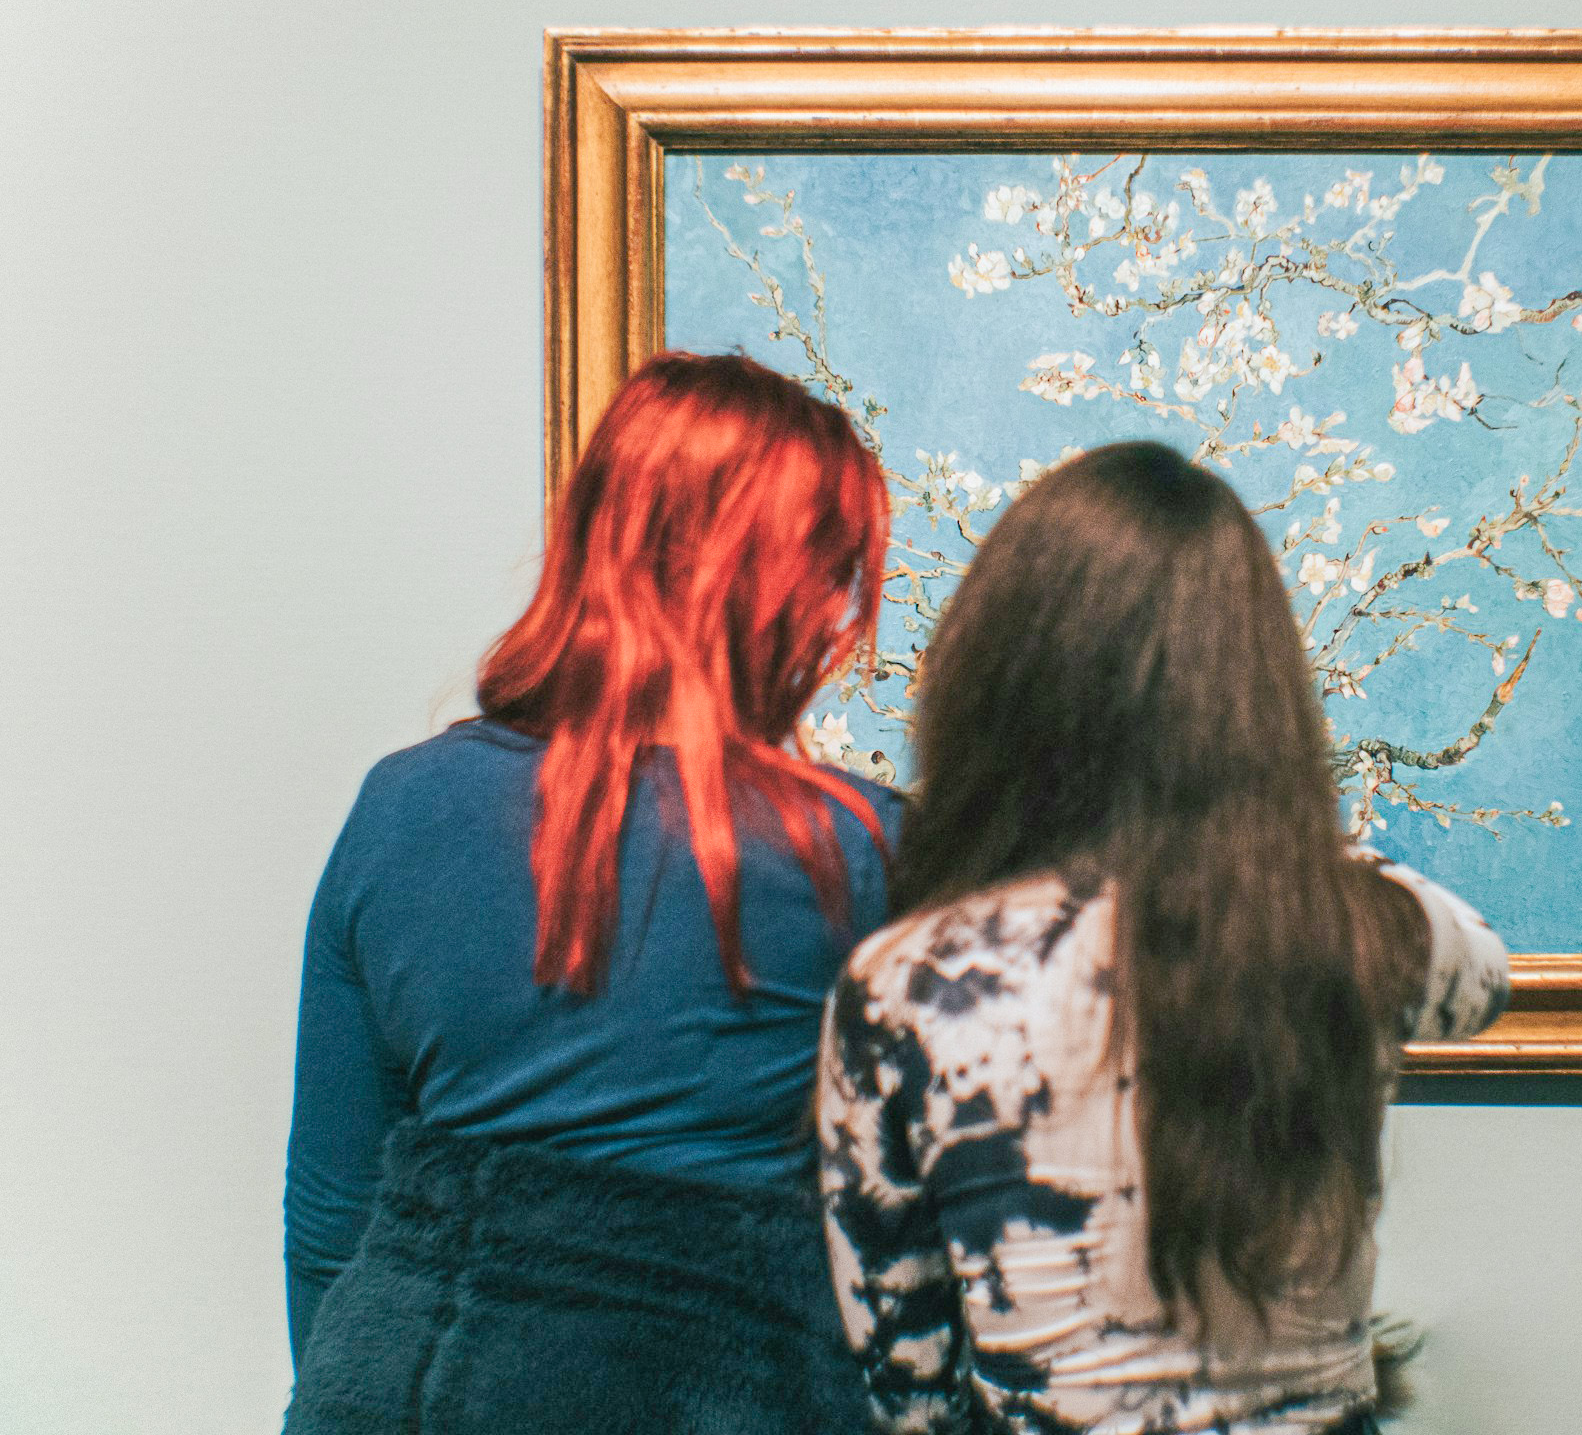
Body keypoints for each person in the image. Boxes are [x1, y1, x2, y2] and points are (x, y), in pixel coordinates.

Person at [816, 441, 1511, 1435]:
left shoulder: (905, 989)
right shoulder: (1342, 929)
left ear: (997, 675)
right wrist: (1287, 832)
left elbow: (903, 1380)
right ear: (1254, 690)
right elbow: (1481, 974)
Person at [283, 351, 896, 1434]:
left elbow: (332, 1221)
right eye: (835, 571)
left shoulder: (398, 808)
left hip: (397, 1391)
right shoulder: (865, 848)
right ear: (776, 582)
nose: (842, 614)